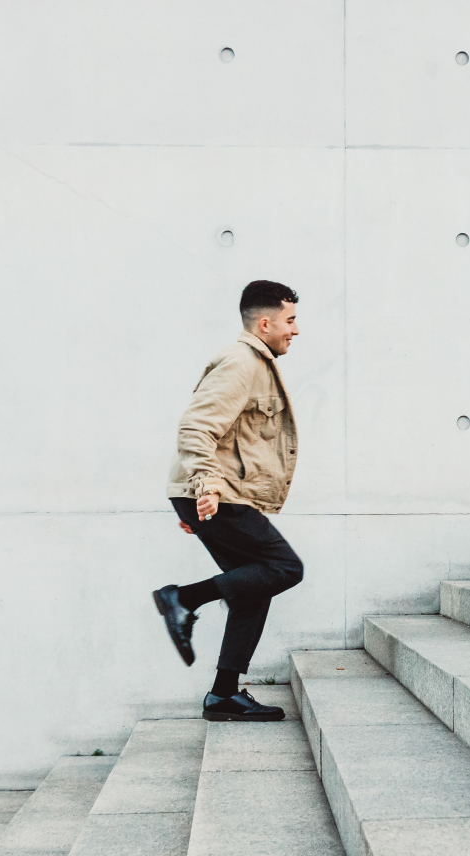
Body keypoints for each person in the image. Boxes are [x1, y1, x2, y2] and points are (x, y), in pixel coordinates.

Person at [151, 280, 306, 722]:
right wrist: (206, 486)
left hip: (219, 495)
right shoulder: (242, 363)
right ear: (265, 322)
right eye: (290, 320)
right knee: (284, 568)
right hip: (218, 495)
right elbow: (196, 427)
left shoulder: (257, 363)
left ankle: (223, 695)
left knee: (255, 586)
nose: (295, 330)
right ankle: (182, 598)